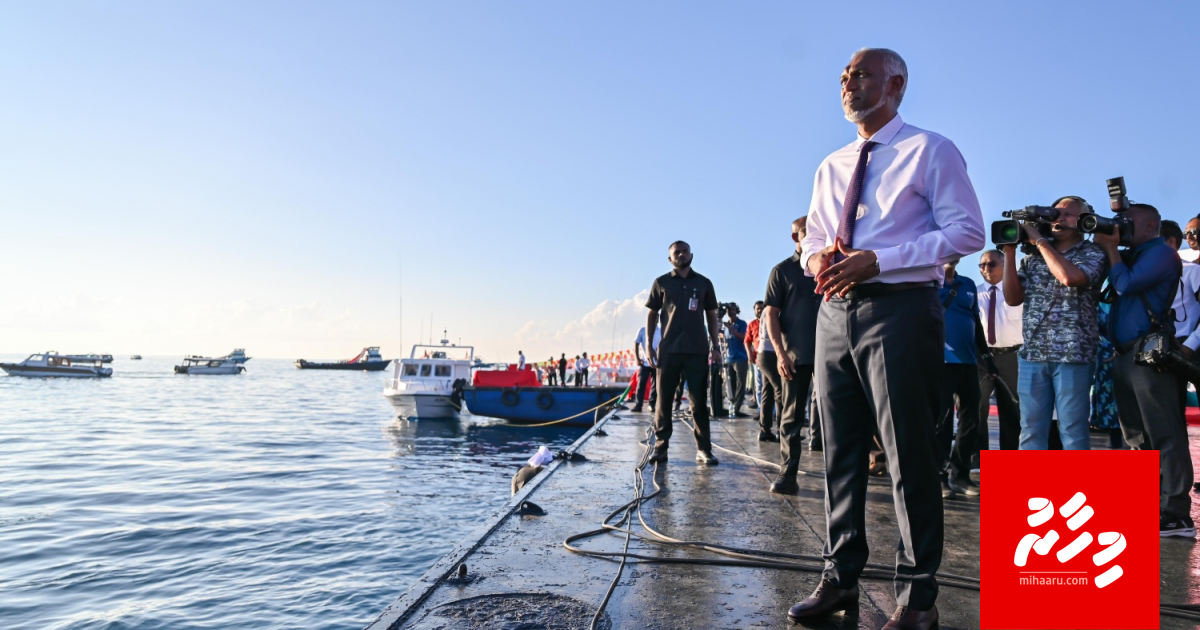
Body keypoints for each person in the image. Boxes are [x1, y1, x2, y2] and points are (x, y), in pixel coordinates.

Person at [788, 48, 984, 630]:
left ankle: (918, 596)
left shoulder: (931, 150)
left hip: (899, 309)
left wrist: (884, 260)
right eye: (845, 76)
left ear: (895, 83)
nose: (848, 83)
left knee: (908, 455)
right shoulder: (830, 165)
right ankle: (840, 577)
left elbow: (967, 230)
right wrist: (815, 254)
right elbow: (814, 239)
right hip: (834, 313)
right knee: (840, 451)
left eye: (861, 74)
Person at [1094, 204, 1195, 537]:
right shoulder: (1134, 254)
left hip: (1149, 355)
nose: (1121, 228)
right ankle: (1149, 503)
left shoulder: (1161, 254)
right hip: (1125, 354)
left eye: (1129, 223)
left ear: (1151, 225)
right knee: (1136, 435)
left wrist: (1111, 248)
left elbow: (1124, 284)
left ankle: (1176, 513)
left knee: (1165, 432)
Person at [1002, 196, 1109, 450]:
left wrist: (1039, 241)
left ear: (1084, 221)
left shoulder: (1092, 252)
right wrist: (1009, 252)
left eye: (1068, 214)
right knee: (1030, 430)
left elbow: (1070, 277)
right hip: (1033, 354)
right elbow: (1012, 297)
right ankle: (1033, 489)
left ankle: (1075, 489)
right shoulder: (1033, 258)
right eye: (1055, 214)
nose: (1059, 218)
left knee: (1072, 430)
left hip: (1073, 355)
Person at [645, 240, 722, 466]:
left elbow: (712, 316)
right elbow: (652, 314)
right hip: (668, 350)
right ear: (670, 259)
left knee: (698, 402)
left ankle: (703, 449)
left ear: (691, 255)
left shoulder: (704, 283)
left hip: (697, 350)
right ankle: (660, 448)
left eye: (684, 252)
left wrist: (715, 347)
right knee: (664, 401)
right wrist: (649, 345)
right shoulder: (661, 283)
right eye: (676, 253)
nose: (681, 255)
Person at [761, 216, 822, 494]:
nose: (810, 236)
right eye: (804, 232)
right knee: (791, 418)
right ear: (795, 238)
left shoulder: (829, 266)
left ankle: (842, 477)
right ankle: (788, 472)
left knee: (837, 417)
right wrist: (781, 354)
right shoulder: (782, 271)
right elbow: (770, 314)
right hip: (795, 357)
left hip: (831, 356)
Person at [936, 258, 984, 498]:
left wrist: (984, 353)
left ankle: (961, 474)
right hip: (939, 363)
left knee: (971, 421)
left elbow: (975, 322)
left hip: (968, 362)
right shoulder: (928, 283)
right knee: (941, 423)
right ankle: (938, 475)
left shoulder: (968, 284)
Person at [976, 249, 1023, 451]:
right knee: (977, 409)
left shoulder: (1018, 292)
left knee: (1011, 410)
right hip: (981, 358)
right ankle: (978, 459)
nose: (986, 268)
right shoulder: (974, 293)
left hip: (1010, 356)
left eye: (992, 264)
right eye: (982, 265)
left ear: (1004, 265)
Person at [1162, 220, 1200, 398]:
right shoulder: (1145, 273)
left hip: (1191, 348)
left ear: (1170, 242)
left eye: (1193, 231)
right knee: (1170, 412)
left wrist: (1191, 344)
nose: (1189, 236)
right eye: (1187, 233)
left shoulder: (1192, 270)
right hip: (1162, 349)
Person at [721, 303, 750, 417]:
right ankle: (732, 406)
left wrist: (730, 328)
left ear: (736, 311)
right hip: (729, 358)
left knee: (741, 384)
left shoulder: (741, 324)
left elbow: (743, 337)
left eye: (733, 309)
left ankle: (737, 408)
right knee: (731, 385)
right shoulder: (726, 326)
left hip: (740, 358)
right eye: (728, 310)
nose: (730, 311)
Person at [633, 324, 662, 412]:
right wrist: (637, 358)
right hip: (645, 362)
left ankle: (652, 404)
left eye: (657, 317)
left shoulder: (660, 331)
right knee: (641, 384)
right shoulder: (642, 329)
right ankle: (638, 405)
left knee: (656, 384)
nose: (656, 319)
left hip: (656, 363)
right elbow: (636, 343)